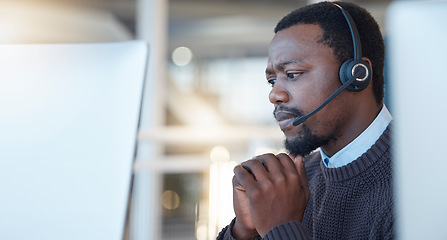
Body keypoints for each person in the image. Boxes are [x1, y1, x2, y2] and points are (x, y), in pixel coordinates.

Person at [217, 1, 393, 239]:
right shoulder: (295, 180)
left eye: (292, 74)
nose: (274, 95)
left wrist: (281, 227)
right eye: (272, 80)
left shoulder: (420, 185)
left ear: (356, 75)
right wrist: (244, 232)